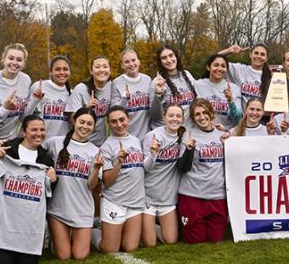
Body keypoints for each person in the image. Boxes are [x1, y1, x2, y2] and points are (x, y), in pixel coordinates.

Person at [0, 114, 57, 264]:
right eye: (34, 130)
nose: (39, 133)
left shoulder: (45, 160)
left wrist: (52, 180)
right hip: (0, 219)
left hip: (25, 222)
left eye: (42, 130)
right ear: (23, 132)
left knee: (28, 263)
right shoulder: (6, 150)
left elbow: (47, 194)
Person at [44, 107, 102, 261]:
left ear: (94, 126)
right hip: (58, 208)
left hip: (82, 208)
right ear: (74, 121)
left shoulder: (95, 151)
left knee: (80, 255)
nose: (85, 126)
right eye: (81, 122)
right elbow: (33, 152)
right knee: (64, 256)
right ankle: (52, 239)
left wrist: (96, 168)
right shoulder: (55, 142)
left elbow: (91, 185)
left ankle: (91, 230)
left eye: (89, 124)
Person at [96, 106, 151, 253]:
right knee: (110, 249)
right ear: (108, 124)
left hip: (135, 201)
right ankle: (92, 233)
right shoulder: (106, 147)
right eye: (113, 122)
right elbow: (107, 182)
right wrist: (118, 162)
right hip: (115, 201)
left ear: (129, 119)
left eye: (122, 119)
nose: (119, 124)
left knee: (130, 247)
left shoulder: (136, 140)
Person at [177, 99, 229, 244]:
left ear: (211, 114)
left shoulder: (222, 134)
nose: (202, 117)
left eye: (205, 113)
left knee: (216, 240)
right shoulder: (189, 135)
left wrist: (228, 143)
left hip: (217, 196)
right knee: (196, 241)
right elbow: (182, 167)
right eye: (197, 114)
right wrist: (189, 150)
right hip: (192, 195)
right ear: (193, 119)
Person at [142, 104, 186, 247]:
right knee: (150, 243)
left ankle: (150, 228)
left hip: (168, 198)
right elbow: (146, 169)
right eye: (171, 115)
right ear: (164, 117)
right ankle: (144, 229)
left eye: (178, 116)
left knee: (171, 240)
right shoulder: (153, 136)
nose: (174, 119)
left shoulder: (184, 137)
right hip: (148, 196)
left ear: (183, 119)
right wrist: (153, 154)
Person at [66, 56, 112, 145]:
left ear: (110, 71)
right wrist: (86, 109)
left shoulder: (112, 87)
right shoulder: (81, 89)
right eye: (97, 67)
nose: (101, 70)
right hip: (79, 140)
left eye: (105, 67)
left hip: (100, 143)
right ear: (91, 71)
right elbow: (72, 119)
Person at [150, 45, 196, 129]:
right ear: (160, 62)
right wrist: (158, 94)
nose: (169, 60)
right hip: (169, 133)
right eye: (164, 58)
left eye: (171, 55)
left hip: (189, 130)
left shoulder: (187, 75)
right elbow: (155, 116)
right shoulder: (157, 82)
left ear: (176, 57)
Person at [26, 55, 72, 139]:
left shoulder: (72, 94)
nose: (62, 72)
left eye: (65, 69)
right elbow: (24, 117)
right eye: (57, 69)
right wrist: (35, 99)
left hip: (60, 145)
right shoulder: (39, 87)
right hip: (38, 143)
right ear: (50, 72)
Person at [193, 53, 243, 129]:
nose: (219, 69)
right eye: (216, 65)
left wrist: (230, 101)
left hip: (225, 133)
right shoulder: (197, 85)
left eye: (223, 66)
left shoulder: (233, 88)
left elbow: (238, 118)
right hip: (203, 132)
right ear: (208, 67)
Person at [111, 49, 153, 138]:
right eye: (127, 62)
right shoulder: (117, 83)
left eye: (133, 60)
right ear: (122, 65)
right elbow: (114, 113)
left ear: (138, 61)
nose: (131, 64)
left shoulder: (147, 80)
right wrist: (124, 99)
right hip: (125, 135)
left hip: (145, 134)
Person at [218, 43, 272, 109]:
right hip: (241, 117)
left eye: (262, 54)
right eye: (256, 53)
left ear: (266, 58)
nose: (259, 56)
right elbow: (214, 60)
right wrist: (229, 50)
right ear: (250, 54)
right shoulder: (240, 70)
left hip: (259, 117)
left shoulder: (270, 77)